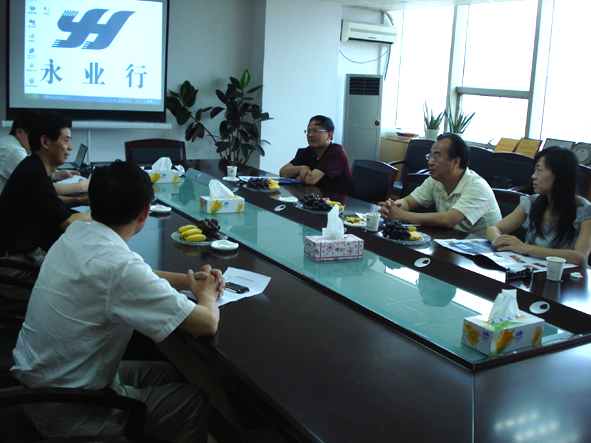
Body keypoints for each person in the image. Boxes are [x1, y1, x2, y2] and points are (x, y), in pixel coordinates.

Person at [12, 161, 226, 442]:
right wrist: (207, 293)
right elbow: (206, 323)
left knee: (167, 372)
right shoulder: (119, 268)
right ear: (145, 212)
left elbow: (129, 277)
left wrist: (187, 281)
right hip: (70, 412)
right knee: (194, 400)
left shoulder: (76, 234)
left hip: (38, 391)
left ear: (93, 202)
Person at [0, 111, 92, 299]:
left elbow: (47, 202)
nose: (70, 147)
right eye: (66, 140)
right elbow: (69, 222)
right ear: (45, 142)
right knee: (80, 291)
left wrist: (81, 200)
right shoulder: (34, 175)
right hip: (13, 268)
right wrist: (111, 209)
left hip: (23, 256)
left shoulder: (32, 167)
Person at [378, 133, 501, 236]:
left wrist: (403, 216)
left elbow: (448, 220)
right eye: (430, 156)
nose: (430, 162)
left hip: (482, 251)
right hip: (451, 241)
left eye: (436, 157)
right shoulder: (435, 180)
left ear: (456, 162)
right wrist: (393, 208)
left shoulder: (477, 186)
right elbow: (409, 202)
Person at [486, 146, 591, 266]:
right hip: (531, 268)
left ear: (560, 174)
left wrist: (527, 248)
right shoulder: (533, 202)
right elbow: (493, 229)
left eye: (539, 170)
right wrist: (498, 241)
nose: (533, 176)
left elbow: (580, 256)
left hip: (567, 274)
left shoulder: (584, 209)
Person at [0, 109, 89, 198]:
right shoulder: (14, 151)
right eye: (34, 134)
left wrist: (55, 175)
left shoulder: (9, 143)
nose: (36, 139)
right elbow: (44, 188)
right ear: (20, 132)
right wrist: (81, 186)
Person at [279, 115, 355, 196]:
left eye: (315, 131)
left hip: (339, 200)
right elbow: (283, 172)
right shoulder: (309, 150)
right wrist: (302, 168)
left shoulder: (336, 151)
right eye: (308, 131)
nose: (310, 135)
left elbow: (310, 180)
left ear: (329, 135)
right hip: (317, 197)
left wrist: (296, 177)